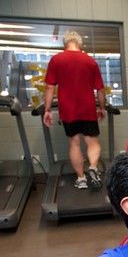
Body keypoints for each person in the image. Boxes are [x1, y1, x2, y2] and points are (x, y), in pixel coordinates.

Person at [44, 30, 106, 190]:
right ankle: (92, 167)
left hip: (68, 110)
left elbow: (50, 88)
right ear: (80, 43)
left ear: (65, 43)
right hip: (88, 108)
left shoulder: (56, 60)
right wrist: (102, 107)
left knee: (74, 144)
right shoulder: (90, 61)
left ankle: (81, 179)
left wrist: (47, 110)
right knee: (92, 142)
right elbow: (100, 89)